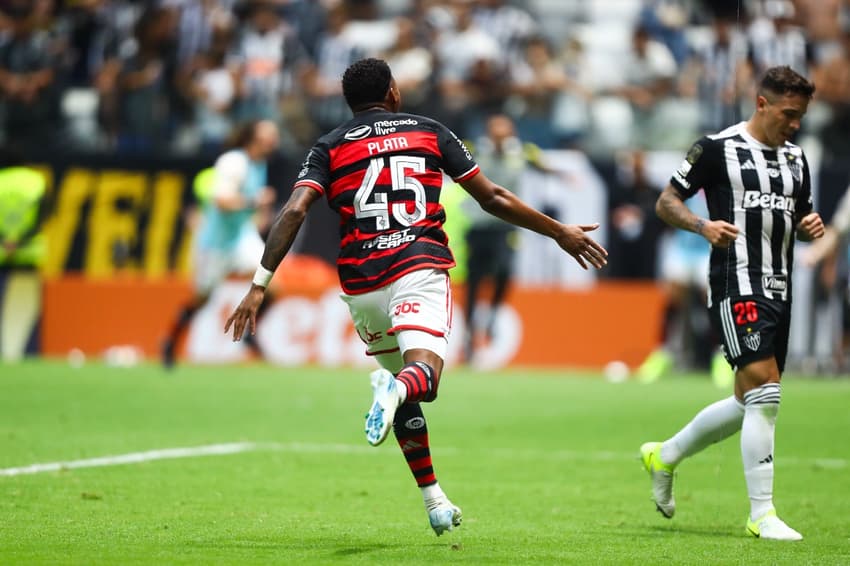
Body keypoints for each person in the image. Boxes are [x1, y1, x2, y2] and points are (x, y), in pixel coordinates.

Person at [224, 58, 607, 535]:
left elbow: (295, 210)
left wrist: (259, 284)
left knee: (404, 390)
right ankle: (394, 388)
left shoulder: (329, 146)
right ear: (393, 92)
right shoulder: (429, 131)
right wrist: (558, 232)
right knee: (423, 377)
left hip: (361, 285)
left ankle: (434, 500)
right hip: (417, 265)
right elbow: (492, 197)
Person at [639, 66, 824, 541]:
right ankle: (761, 513)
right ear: (762, 104)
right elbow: (666, 201)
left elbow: (797, 211)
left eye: (801, 115)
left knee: (749, 401)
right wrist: (703, 226)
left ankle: (665, 456)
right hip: (736, 281)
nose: (795, 124)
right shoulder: (717, 148)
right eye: (788, 113)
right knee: (766, 390)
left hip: (780, 286)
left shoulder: (797, 158)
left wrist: (808, 224)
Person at [161, 120, 278, 368]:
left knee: (274, 284)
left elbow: (247, 210)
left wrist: (259, 216)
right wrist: (253, 202)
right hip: (215, 244)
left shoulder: (260, 164)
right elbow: (222, 202)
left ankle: (248, 335)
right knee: (202, 299)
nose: (275, 137)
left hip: (241, 237)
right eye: (269, 132)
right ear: (253, 135)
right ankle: (170, 340)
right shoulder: (233, 162)